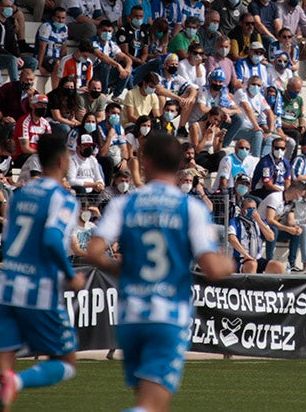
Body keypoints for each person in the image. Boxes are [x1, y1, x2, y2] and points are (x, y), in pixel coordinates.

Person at [86, 134, 233, 412]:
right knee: (152, 406)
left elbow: (93, 252)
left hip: (130, 316)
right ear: (179, 165)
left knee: (153, 403)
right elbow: (213, 268)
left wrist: (125, 270)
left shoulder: (124, 203)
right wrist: (230, 263)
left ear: (146, 162)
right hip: (168, 315)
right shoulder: (189, 207)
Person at [0, 134, 85, 412]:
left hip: (5, 288)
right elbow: (51, 238)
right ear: (62, 160)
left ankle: (5, 383)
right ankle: (18, 382)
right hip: (39, 292)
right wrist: (70, 275)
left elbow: (7, 243)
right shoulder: (63, 199)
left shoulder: (18, 195)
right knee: (66, 363)